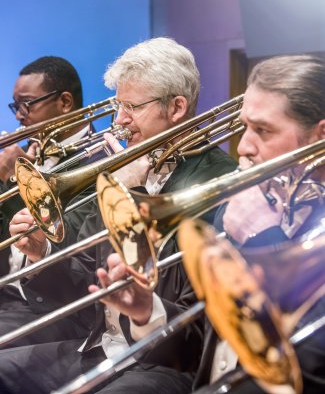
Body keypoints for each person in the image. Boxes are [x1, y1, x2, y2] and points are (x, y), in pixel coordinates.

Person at [0, 37, 237, 394]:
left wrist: (132, 195)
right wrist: (42, 253)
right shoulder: (127, 169)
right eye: (117, 105)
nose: (119, 121)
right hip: (99, 345)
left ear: (176, 108)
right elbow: (87, 284)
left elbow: (195, 318)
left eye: (131, 107)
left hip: (161, 361)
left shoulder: (217, 182)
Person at [192, 54, 325, 394]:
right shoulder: (243, 207)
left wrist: (264, 239)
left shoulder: (253, 222)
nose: (244, 147)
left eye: (263, 130)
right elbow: (214, 335)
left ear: (319, 135)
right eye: (244, 127)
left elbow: (310, 369)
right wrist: (147, 312)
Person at [0, 56, 100, 344]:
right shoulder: (26, 152)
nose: (19, 115)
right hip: (9, 294)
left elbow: (61, 241)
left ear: (65, 102)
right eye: (15, 106)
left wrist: (15, 182)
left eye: (27, 104)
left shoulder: (97, 160)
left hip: (52, 307)